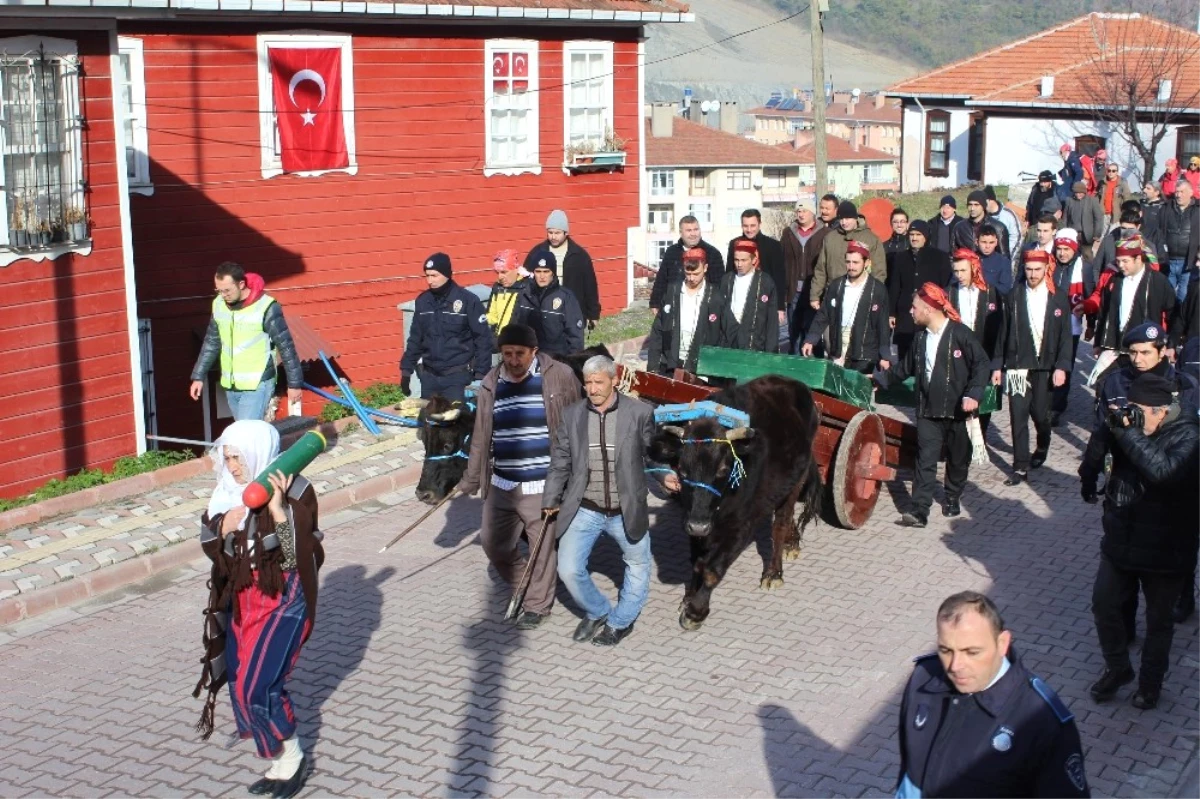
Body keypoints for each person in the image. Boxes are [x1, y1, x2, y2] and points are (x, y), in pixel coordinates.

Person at [195, 420, 324, 799]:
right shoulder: (225, 494)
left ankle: (295, 758)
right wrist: (222, 526)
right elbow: (209, 545)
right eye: (228, 457)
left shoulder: (295, 488)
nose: (232, 466)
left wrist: (279, 510)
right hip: (242, 598)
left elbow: (292, 557)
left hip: (284, 598)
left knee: (259, 685)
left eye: (238, 457)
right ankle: (279, 762)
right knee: (239, 679)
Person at [895, 591, 1090, 799]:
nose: (955, 666)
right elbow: (908, 772)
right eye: (946, 650)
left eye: (972, 652)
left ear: (1002, 644)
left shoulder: (1042, 721)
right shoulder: (923, 678)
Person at [455, 323, 582, 630]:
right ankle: (523, 582)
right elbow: (481, 436)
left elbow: (578, 421)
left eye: (519, 354)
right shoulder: (491, 382)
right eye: (507, 354)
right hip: (502, 482)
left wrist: (575, 474)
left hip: (542, 482)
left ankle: (538, 604)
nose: (512, 360)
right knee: (493, 544)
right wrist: (471, 478)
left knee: (541, 548)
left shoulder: (560, 376)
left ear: (534, 352)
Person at [543, 355, 676, 646]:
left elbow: (651, 455)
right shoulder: (572, 415)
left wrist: (664, 475)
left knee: (637, 565)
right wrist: (551, 497)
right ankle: (597, 610)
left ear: (614, 380)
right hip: (585, 508)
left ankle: (620, 621)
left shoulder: (639, 413)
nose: (592, 389)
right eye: (587, 382)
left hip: (625, 509)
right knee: (568, 569)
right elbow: (561, 461)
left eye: (598, 382)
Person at [1088, 373, 1200, 710]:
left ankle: (1149, 685)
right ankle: (1119, 668)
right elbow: (1100, 452)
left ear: (1163, 411)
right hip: (1122, 537)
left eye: (1141, 412)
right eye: (1131, 411)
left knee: (1158, 622)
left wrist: (1127, 431)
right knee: (1104, 604)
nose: (1134, 418)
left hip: (1168, 545)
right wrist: (1107, 431)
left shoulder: (1190, 435)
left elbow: (1163, 471)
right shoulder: (1130, 426)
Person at [1080, 322, 1200, 626]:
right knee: (1124, 560)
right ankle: (1126, 624)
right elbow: (1100, 433)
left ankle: (1183, 597)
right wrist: (1089, 473)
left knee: (1176, 547)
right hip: (1127, 483)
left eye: (1146, 352)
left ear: (1162, 352)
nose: (1138, 359)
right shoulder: (1115, 383)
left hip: (1170, 484)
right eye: (1132, 352)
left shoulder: (1185, 386)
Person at [881, 283, 989, 526]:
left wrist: (974, 394)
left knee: (959, 458)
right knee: (925, 459)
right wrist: (879, 380)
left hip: (957, 412)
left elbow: (981, 364)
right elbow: (904, 368)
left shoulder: (960, 334)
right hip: (928, 410)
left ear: (929, 309)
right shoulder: (920, 338)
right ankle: (920, 510)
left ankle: (952, 495)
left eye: (915, 307)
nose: (910, 311)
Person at [190, 262, 304, 422]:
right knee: (246, 434)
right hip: (231, 385)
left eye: (227, 290)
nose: (223, 295)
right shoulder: (218, 304)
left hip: (258, 383)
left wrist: (294, 384)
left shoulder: (266, 307)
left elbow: (286, 346)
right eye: (219, 290)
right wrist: (198, 376)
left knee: (245, 435)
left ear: (241, 284)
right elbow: (211, 342)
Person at [998, 249, 1072, 485]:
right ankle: (1020, 466)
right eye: (1028, 269)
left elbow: (1065, 336)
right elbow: (1003, 332)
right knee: (1018, 416)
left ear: (1046, 269)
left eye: (1037, 269)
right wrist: (997, 367)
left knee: (1040, 414)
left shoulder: (1058, 297)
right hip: (1018, 365)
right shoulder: (1014, 296)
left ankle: (1043, 443)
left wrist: (1062, 366)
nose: (1032, 274)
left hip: (1045, 365)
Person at [399, 253, 494, 401]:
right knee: (430, 421)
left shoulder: (467, 301)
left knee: (455, 421)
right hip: (430, 377)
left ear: (447, 274)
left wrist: (481, 375)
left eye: (434, 275)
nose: (430, 281)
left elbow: (482, 339)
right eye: (427, 276)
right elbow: (415, 339)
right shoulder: (423, 301)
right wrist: (406, 370)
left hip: (458, 377)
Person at [1092, 235, 1176, 385]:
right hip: (1115, 347)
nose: (1121, 265)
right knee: (1104, 386)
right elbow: (1103, 312)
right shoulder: (1114, 281)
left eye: (1125, 261)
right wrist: (1098, 343)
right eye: (1118, 261)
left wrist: (1171, 343)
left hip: (1144, 350)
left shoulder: (1158, 281)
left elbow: (1173, 312)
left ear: (1138, 259)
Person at [801, 240, 891, 374]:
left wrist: (885, 355)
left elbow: (882, 324)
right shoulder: (836, 286)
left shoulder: (877, 289)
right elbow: (823, 314)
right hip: (839, 343)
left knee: (859, 389)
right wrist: (811, 339)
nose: (851, 266)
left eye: (856, 262)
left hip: (864, 349)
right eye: (848, 262)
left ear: (866, 263)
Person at [646, 247, 734, 376]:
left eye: (696, 274)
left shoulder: (716, 297)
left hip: (702, 366)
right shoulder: (673, 291)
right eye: (688, 273)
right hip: (673, 364)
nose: (692, 278)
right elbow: (657, 331)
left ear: (705, 268)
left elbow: (729, 332)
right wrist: (653, 366)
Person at [949, 249, 1005, 435]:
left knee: (982, 394)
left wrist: (997, 362)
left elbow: (998, 330)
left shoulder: (990, 292)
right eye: (956, 271)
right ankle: (960, 435)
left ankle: (979, 435)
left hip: (984, 353)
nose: (959, 275)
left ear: (974, 268)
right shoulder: (950, 292)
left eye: (963, 271)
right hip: (958, 354)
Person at [1049, 229, 1096, 425]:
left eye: (1066, 249)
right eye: (1059, 248)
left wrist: (1091, 322)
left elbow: (1089, 293)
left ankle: (1057, 406)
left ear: (1074, 249)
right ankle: (1046, 400)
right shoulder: (1050, 264)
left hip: (1071, 325)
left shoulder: (1083, 267)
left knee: (1064, 365)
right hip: (1049, 323)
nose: (1062, 253)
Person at [524, 209, 601, 327]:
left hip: (571, 311)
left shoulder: (579, 255)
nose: (553, 236)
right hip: (544, 310)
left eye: (557, 233)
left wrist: (593, 314)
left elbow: (590, 286)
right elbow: (526, 280)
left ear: (566, 233)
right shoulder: (538, 252)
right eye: (550, 232)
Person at [888, 219, 951, 362]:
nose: (914, 238)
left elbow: (945, 286)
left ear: (926, 236)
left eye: (918, 234)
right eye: (911, 234)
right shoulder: (900, 257)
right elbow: (895, 286)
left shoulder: (940, 257)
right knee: (905, 355)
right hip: (905, 314)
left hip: (929, 313)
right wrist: (892, 313)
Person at [784, 195, 839, 353]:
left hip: (814, 291)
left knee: (812, 331)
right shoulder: (788, 233)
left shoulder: (825, 233)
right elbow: (783, 262)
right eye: (798, 211)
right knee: (794, 332)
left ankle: (814, 365)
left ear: (812, 213)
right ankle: (795, 368)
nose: (801, 214)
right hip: (793, 291)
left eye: (804, 211)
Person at [811, 200, 888, 310]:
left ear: (855, 218)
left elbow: (879, 271)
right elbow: (821, 269)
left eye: (847, 218)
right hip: (834, 296)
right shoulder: (830, 238)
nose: (844, 222)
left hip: (861, 297)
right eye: (841, 219)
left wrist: (874, 296)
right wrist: (815, 295)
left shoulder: (871, 239)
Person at [513, 251, 585, 358]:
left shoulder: (565, 297)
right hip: (529, 358)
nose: (542, 276)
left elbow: (575, 335)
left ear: (553, 273)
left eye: (546, 271)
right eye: (538, 271)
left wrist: (572, 363)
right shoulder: (524, 294)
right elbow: (516, 327)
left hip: (556, 359)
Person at [649, 215, 724, 315]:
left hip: (703, 308)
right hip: (674, 306)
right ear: (681, 233)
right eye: (689, 230)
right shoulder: (671, 252)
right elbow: (661, 279)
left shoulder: (712, 253)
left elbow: (719, 285)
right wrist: (655, 302)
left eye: (696, 229)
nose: (693, 234)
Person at [726, 209, 787, 326]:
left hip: (765, 300)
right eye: (745, 226)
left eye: (753, 225)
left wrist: (780, 307)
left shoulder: (773, 246)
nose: (749, 230)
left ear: (760, 224)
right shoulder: (734, 244)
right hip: (740, 300)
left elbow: (779, 278)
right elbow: (729, 274)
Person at [720, 239, 779, 352]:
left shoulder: (765, 282)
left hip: (755, 343)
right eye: (736, 260)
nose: (739, 264)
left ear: (754, 259)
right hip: (729, 342)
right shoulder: (726, 280)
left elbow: (771, 321)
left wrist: (771, 350)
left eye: (743, 260)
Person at [1155, 179, 1200, 303]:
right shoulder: (1166, 209)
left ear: (1191, 192)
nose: (1179, 195)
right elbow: (1158, 232)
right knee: (1166, 297)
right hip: (1168, 261)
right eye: (1177, 192)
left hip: (1188, 263)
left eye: (1182, 192)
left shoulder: (1197, 211)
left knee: (1183, 296)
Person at [486, 249, 530, 340]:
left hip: (520, 342)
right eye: (497, 273)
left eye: (504, 272)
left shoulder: (527, 288)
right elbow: (492, 316)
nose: (500, 277)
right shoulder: (497, 287)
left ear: (515, 269)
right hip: (499, 341)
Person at [1063, 181, 1106, 256]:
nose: (1078, 195)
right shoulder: (1069, 201)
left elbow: (1098, 219)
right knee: (1072, 254)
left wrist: (1097, 234)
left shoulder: (1092, 201)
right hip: (1073, 233)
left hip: (1087, 235)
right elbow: (1065, 217)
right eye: (1076, 193)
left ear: (1084, 192)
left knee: (1087, 256)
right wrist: (1064, 231)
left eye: (1080, 193)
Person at [984, 185, 1021, 258]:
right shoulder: (983, 216)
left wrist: (1008, 256)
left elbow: (1016, 237)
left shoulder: (1008, 215)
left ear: (990, 200)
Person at [976, 226, 1013, 295]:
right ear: (977, 242)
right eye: (984, 242)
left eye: (991, 242)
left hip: (992, 300)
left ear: (996, 242)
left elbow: (1005, 288)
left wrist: (986, 287)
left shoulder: (1003, 262)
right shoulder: (968, 259)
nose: (987, 246)